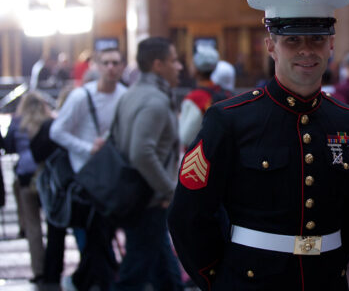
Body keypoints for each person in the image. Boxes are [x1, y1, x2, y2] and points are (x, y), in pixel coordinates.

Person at [168, 0, 349, 290]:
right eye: (292, 40)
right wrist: (219, 278)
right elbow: (188, 215)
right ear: (270, 46)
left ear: (331, 45)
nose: (306, 50)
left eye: (318, 39)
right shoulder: (231, 119)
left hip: (326, 279)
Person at [50, 47, 127, 291]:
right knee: (95, 233)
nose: (111, 68)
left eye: (115, 63)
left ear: (123, 66)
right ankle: (94, 281)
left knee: (101, 234)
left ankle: (83, 280)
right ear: (96, 66)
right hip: (85, 176)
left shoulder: (124, 95)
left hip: (111, 176)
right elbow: (57, 131)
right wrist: (86, 148)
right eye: (106, 63)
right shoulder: (81, 96)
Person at [110, 37, 183, 291]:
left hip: (137, 196)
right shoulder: (155, 100)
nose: (180, 67)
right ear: (158, 64)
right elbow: (141, 152)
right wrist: (169, 189)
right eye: (174, 60)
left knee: (163, 270)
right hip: (149, 199)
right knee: (135, 272)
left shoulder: (130, 94)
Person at [2, 92, 53, 283]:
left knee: (33, 226)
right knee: (53, 224)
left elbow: (8, 145)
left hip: (25, 175)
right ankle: (52, 266)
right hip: (45, 175)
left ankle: (39, 269)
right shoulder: (47, 120)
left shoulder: (18, 122)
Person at [178, 47, 232, 149]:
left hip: (199, 159)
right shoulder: (224, 93)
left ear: (196, 69)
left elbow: (185, 137)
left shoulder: (194, 98)